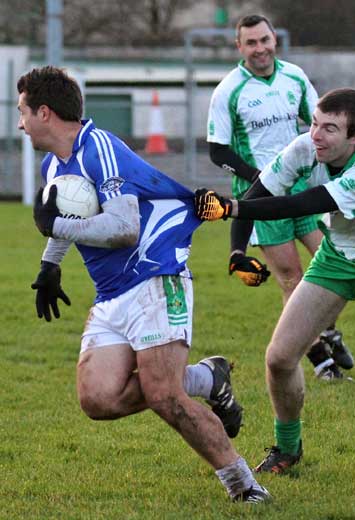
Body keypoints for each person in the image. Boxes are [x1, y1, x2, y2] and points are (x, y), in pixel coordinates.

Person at [18, 65, 270, 503]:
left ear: (44, 112)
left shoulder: (99, 148)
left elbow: (124, 227)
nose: (18, 123)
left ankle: (244, 485)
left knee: (164, 397)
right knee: (97, 399)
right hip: (111, 291)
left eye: (21, 111)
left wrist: (55, 225)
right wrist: (49, 265)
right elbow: (66, 219)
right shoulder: (52, 162)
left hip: (155, 275)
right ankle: (209, 379)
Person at [195, 87, 355, 479]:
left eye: (330, 129)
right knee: (279, 358)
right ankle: (287, 449)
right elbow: (259, 193)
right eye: (314, 123)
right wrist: (236, 252)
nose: (316, 135)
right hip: (339, 254)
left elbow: (302, 204)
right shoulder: (304, 147)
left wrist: (231, 207)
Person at [206, 14, 354, 380]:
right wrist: (259, 178)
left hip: (302, 192)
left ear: (275, 40)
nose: (260, 49)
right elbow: (217, 151)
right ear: (239, 47)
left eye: (264, 40)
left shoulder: (294, 77)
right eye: (251, 43)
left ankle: (327, 329)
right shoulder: (228, 91)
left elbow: (319, 124)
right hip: (261, 201)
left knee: (338, 263)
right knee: (292, 279)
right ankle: (321, 361)